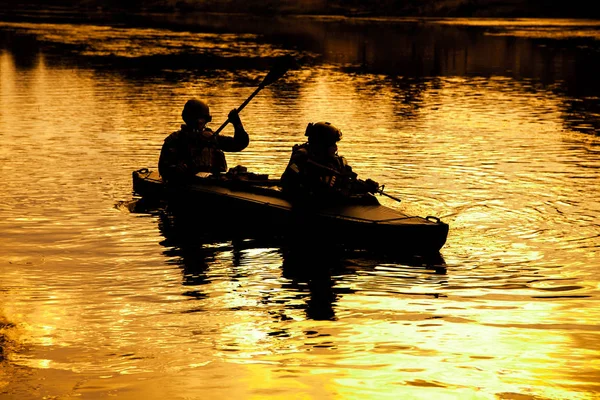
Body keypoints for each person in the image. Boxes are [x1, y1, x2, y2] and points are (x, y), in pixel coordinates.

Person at [280, 121, 379, 202]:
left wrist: (365, 186)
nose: (335, 148)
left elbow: (346, 180)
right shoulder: (301, 159)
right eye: (332, 144)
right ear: (321, 145)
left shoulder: (336, 162)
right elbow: (290, 184)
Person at [158, 99, 249, 182]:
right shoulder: (175, 140)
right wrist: (176, 169)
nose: (199, 122)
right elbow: (163, 169)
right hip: (185, 185)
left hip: (212, 184)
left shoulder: (211, 138)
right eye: (196, 118)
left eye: (202, 119)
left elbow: (239, 144)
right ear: (188, 118)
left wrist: (237, 123)